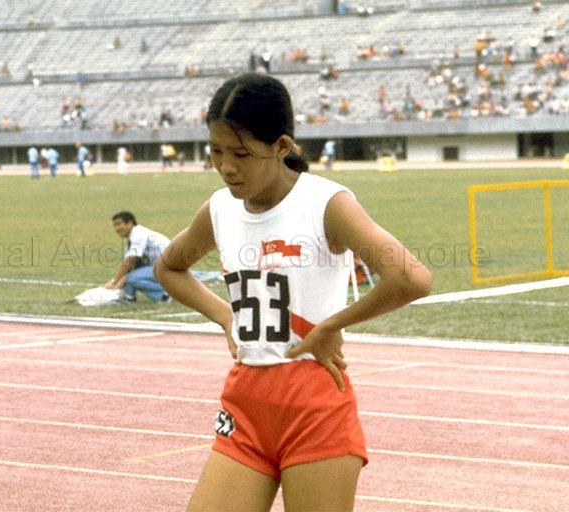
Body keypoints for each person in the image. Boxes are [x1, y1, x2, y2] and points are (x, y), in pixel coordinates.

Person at [154, 73, 432, 511]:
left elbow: (412, 278)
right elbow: (169, 267)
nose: (226, 166)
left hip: (313, 404)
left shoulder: (326, 204)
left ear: (283, 146)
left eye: (241, 154)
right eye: (216, 151)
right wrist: (226, 316)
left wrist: (332, 325)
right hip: (245, 402)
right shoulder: (220, 208)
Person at [104, 211, 171, 303]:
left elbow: (129, 261)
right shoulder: (135, 236)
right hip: (161, 266)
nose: (117, 228)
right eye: (115, 226)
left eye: (119, 224)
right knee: (129, 274)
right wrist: (115, 282)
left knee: (130, 278)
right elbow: (129, 265)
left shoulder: (138, 234)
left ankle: (164, 294)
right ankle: (129, 297)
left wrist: (114, 283)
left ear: (130, 223)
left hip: (168, 267)